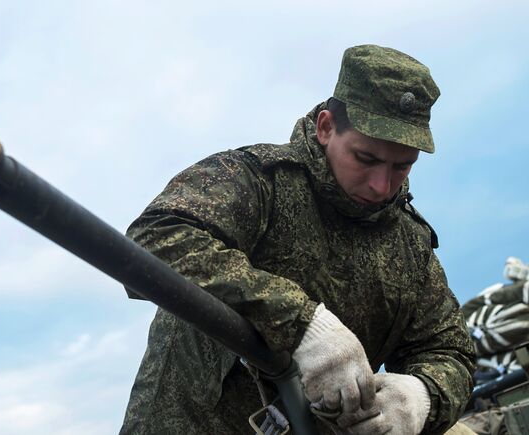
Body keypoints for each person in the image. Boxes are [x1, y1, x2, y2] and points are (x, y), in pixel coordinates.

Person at [120, 45, 476, 435]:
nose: (381, 185)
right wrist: (302, 323)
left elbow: (448, 351)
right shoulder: (259, 182)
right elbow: (154, 240)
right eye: (366, 158)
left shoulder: (409, 245)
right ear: (326, 128)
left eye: (402, 166)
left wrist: (421, 396)